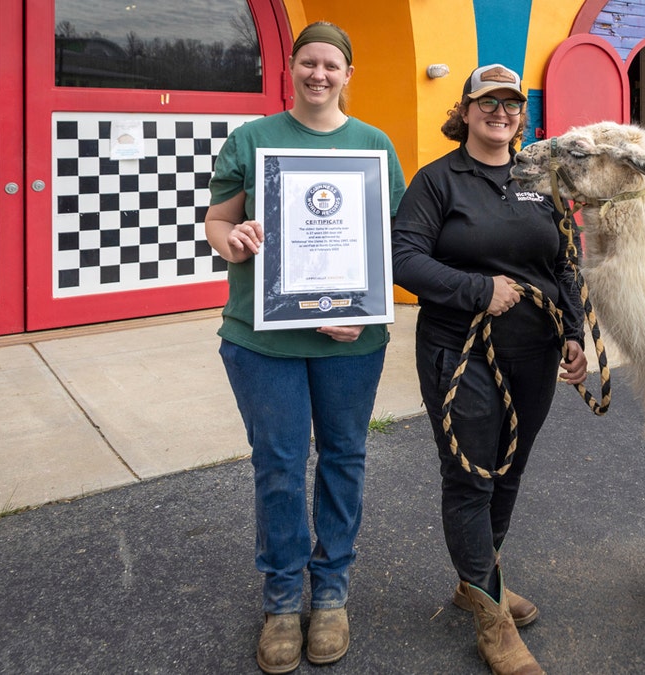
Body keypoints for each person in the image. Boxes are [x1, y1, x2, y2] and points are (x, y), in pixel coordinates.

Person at [203, 22, 406, 675]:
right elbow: (218, 220)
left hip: (352, 342)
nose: (319, 75)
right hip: (263, 340)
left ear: (349, 73)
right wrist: (229, 241)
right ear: (292, 66)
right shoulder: (253, 140)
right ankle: (284, 597)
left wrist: (361, 302)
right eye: (309, 63)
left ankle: (334, 590)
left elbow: (387, 239)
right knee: (280, 466)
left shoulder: (373, 145)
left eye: (332, 65)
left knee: (345, 456)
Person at [391, 64, 587, 675]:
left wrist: (576, 333)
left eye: (511, 104)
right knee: (471, 475)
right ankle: (491, 616)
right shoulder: (438, 181)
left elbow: (566, 264)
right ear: (466, 110)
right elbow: (403, 259)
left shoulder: (540, 181)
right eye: (488, 102)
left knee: (508, 470)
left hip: (536, 352)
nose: (500, 113)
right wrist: (478, 289)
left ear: (521, 115)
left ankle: (479, 578)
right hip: (461, 353)